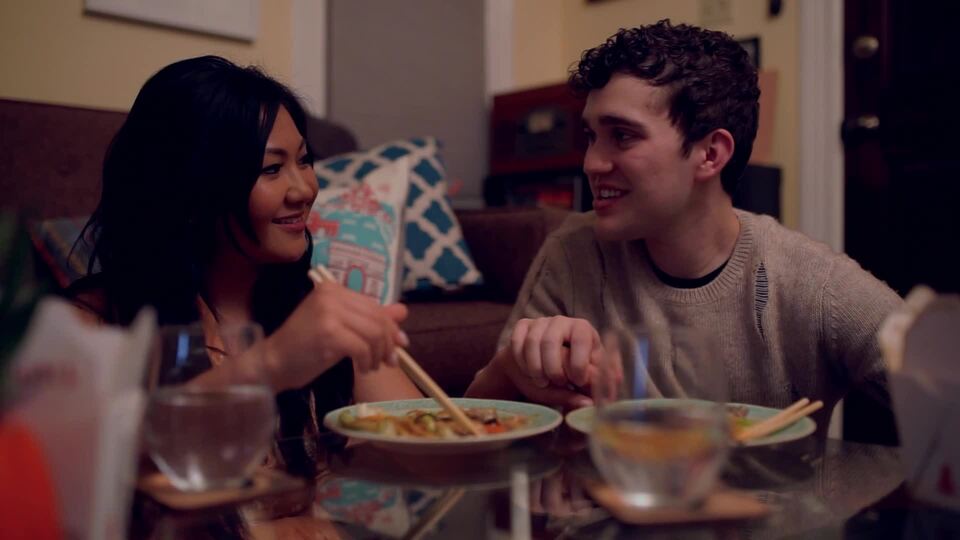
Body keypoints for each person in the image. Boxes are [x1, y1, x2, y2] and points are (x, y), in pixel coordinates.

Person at [467, 21, 903, 435]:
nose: (591, 164)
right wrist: (510, 368)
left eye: (622, 136)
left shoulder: (811, 281)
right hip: (614, 489)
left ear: (710, 154)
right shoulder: (574, 252)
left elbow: (933, 388)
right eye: (591, 137)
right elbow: (472, 429)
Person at [68, 55, 420, 476]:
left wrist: (490, 382)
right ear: (191, 187)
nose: (304, 190)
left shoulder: (316, 312)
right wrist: (272, 364)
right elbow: (80, 467)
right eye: (271, 168)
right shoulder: (94, 325)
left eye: (304, 160)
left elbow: (428, 447)